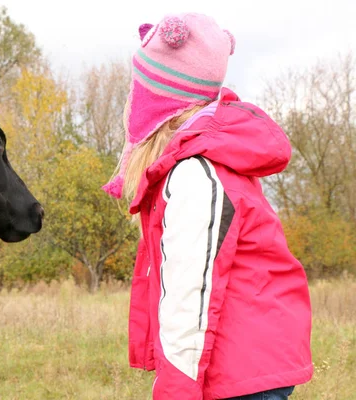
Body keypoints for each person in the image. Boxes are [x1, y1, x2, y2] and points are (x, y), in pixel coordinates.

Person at [102, 12, 313, 400]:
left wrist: (174, 391)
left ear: (158, 100)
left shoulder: (195, 173)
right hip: (247, 364)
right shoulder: (206, 160)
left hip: (239, 372)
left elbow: (191, 294)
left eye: (141, 90)